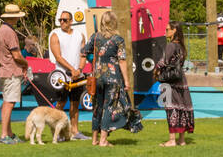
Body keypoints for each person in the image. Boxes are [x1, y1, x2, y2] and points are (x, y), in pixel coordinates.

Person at [80, 10, 143, 146]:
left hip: (97, 77)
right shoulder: (118, 40)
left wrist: (94, 61)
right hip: (113, 78)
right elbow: (122, 61)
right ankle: (103, 140)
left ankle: (94, 139)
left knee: (97, 107)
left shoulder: (95, 37)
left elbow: (83, 52)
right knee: (109, 107)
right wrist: (127, 81)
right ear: (114, 23)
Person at [49, 10, 91, 140]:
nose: (62, 22)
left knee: (75, 103)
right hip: (61, 77)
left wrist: (79, 69)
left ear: (71, 21)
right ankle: (57, 133)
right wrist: (72, 69)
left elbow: (83, 55)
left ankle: (75, 132)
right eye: (60, 20)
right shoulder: (55, 35)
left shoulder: (80, 35)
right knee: (60, 104)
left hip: (77, 75)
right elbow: (58, 57)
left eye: (65, 20)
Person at [0, 3, 31, 144]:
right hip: (11, 71)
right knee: (9, 103)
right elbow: (16, 55)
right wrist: (26, 64)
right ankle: (4, 135)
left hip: (6, 70)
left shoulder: (2, 29)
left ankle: (9, 134)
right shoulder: (9, 32)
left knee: (7, 102)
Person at [158, 23, 194, 146]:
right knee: (181, 107)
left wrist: (155, 70)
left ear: (174, 30)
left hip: (170, 81)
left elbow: (163, 62)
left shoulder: (171, 45)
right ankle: (181, 140)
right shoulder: (181, 46)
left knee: (171, 107)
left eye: (168, 29)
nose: (166, 31)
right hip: (181, 80)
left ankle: (172, 140)